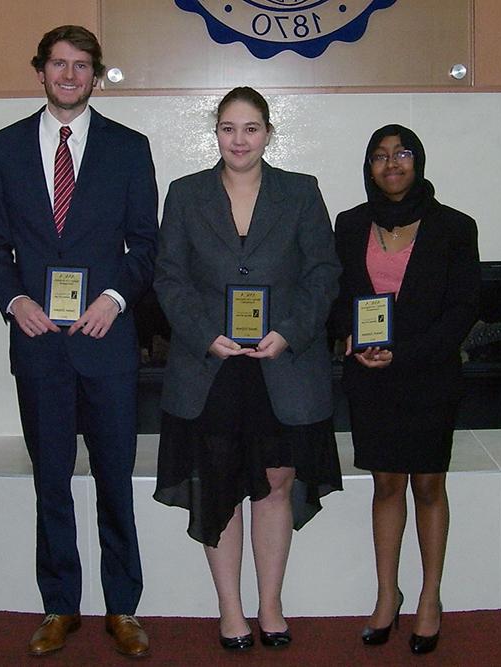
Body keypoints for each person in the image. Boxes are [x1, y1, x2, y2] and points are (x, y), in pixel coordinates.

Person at [0, 25, 158, 658]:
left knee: (114, 477)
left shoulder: (129, 148)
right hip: (39, 343)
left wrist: (113, 299)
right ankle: (59, 604)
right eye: (59, 64)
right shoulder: (2, 148)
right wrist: (13, 300)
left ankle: (123, 607)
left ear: (97, 74)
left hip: (106, 341)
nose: (70, 75)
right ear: (41, 71)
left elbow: (147, 246)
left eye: (82, 66)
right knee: (50, 478)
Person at [153, 87, 343, 650]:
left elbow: (323, 273)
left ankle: (271, 605)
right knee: (220, 486)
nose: (240, 139)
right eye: (229, 128)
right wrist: (204, 334)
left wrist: (289, 331)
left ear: (268, 133)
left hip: (280, 364)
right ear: (216, 132)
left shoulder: (301, 193)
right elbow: (168, 277)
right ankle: (230, 610)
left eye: (252, 128)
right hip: (211, 365)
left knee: (277, 483)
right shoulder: (185, 194)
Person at [330, 124, 480, 655]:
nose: (391, 164)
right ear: (368, 167)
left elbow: (464, 307)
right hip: (370, 379)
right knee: (386, 486)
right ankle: (386, 595)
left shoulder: (455, 227)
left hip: (430, 376)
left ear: (418, 161)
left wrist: (408, 352)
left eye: (402, 154)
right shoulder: (349, 224)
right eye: (379, 156)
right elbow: (336, 293)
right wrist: (346, 335)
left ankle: (430, 598)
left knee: (429, 487)